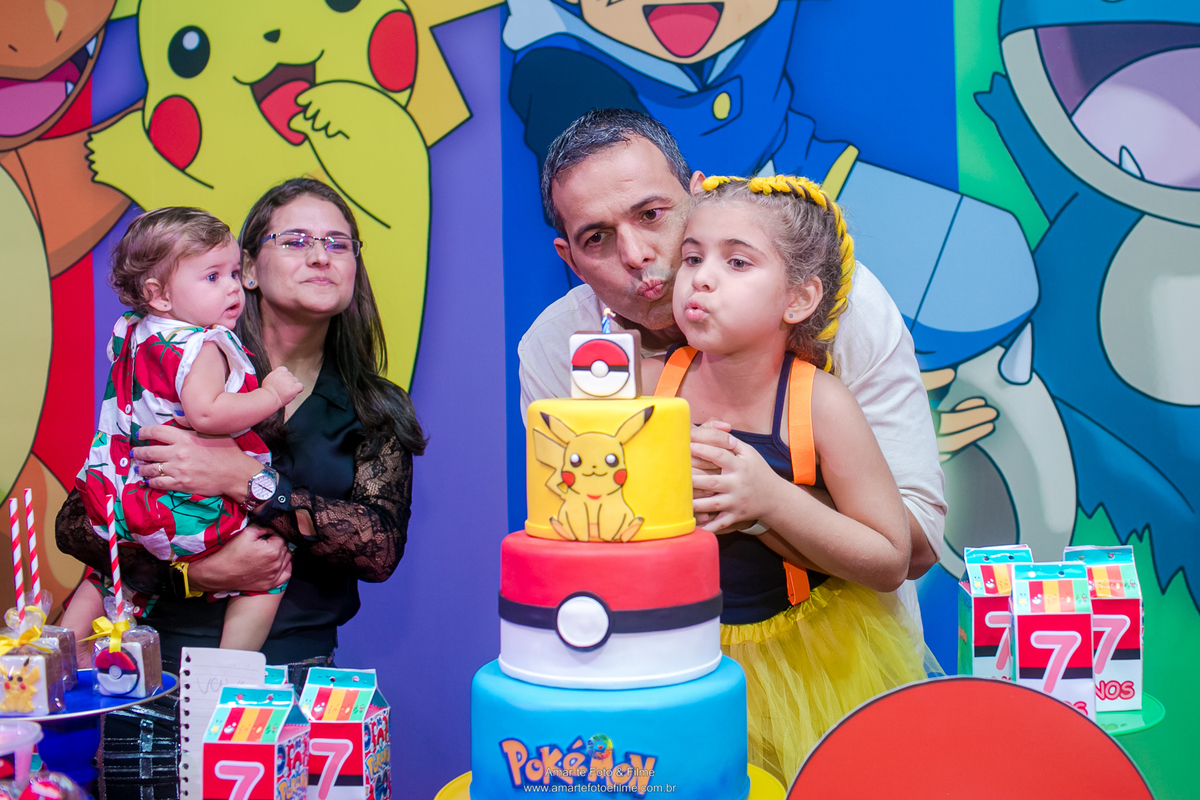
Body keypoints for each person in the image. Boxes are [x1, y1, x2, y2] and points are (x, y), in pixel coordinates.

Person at [55, 178, 424, 799]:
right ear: (247, 269)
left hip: (300, 681)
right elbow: (79, 523)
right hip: (153, 677)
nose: (321, 255)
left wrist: (245, 481)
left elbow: (378, 549)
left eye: (339, 243)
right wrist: (191, 574)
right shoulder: (184, 359)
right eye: (297, 239)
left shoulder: (375, 406)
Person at [518, 109, 946, 628]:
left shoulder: (842, 307)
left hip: (833, 639)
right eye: (597, 238)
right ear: (570, 260)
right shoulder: (561, 350)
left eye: (651, 214)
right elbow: (583, 529)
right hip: (666, 640)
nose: (635, 254)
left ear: (697, 197)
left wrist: (755, 495)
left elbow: (913, 546)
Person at [646, 173, 933, 782]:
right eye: (692, 257)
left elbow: (890, 557)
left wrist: (769, 500)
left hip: (813, 661)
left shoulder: (821, 404)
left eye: (737, 262)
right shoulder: (650, 388)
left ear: (798, 299)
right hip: (684, 653)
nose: (702, 278)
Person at [63, 207, 303, 652]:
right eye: (212, 277)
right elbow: (208, 414)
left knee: (110, 575)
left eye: (234, 273)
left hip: (121, 496)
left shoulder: (133, 333)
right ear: (158, 295)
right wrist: (271, 394)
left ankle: (61, 652)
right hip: (181, 506)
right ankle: (227, 673)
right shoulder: (203, 344)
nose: (232, 287)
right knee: (270, 569)